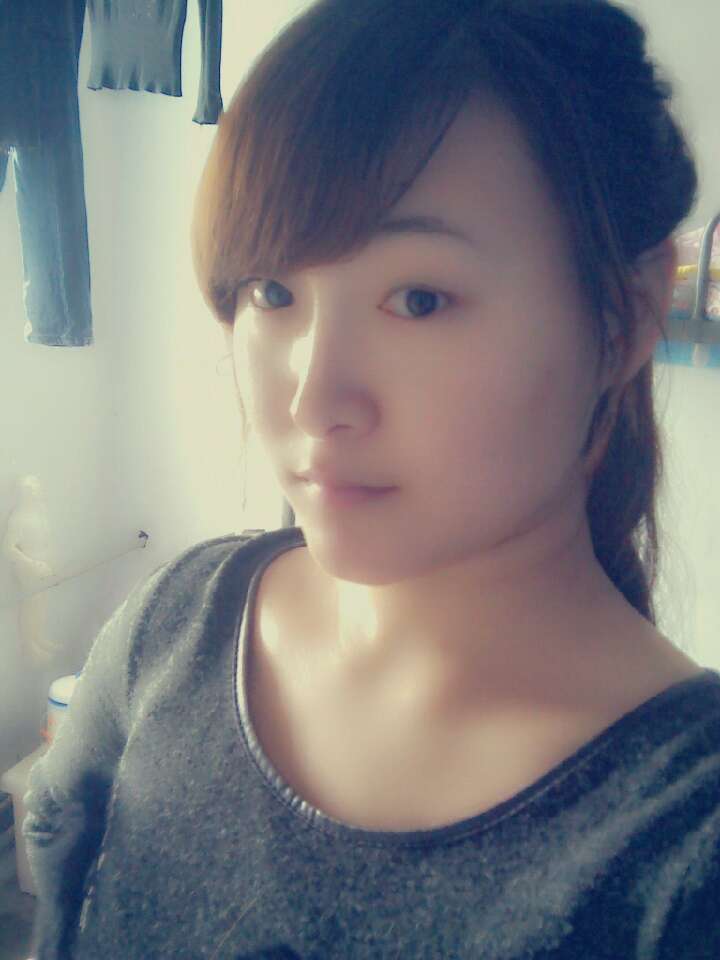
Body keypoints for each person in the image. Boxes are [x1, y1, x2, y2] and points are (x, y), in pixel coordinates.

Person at [22, 1, 720, 957]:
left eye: (419, 299)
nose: (314, 399)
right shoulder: (178, 625)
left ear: (623, 319)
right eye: (272, 292)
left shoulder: (684, 846)